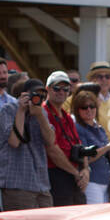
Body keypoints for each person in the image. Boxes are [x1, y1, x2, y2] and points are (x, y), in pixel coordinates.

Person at [0, 79, 54, 210]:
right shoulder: (9, 110)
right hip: (18, 183)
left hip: (41, 183)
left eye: (41, 95)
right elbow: (14, 142)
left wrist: (40, 116)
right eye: (35, 94)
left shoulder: (41, 112)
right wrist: (21, 111)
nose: (38, 98)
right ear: (24, 94)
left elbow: (50, 141)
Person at [44, 71, 89, 207]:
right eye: (56, 88)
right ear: (48, 89)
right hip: (56, 175)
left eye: (65, 89)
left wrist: (85, 170)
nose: (61, 92)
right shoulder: (44, 113)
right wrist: (76, 173)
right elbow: (52, 150)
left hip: (73, 175)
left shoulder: (67, 116)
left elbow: (79, 146)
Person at [71, 86, 110, 205]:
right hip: (92, 182)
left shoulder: (99, 128)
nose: (89, 110)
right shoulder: (78, 128)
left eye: (92, 106)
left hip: (106, 180)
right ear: (77, 110)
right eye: (84, 107)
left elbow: (109, 158)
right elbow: (86, 158)